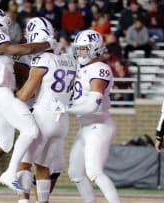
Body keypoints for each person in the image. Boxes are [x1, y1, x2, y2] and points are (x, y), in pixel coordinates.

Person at [0, 8, 57, 202]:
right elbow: (23, 50)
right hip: (1, 93)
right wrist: (47, 44)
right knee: (31, 131)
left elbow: (13, 61)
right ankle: (10, 172)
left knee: (4, 143)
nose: (8, 24)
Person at [15, 17, 76, 203]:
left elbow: (25, 94)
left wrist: (10, 96)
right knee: (43, 166)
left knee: (22, 163)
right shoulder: (69, 59)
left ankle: (23, 202)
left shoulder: (42, 59)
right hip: (62, 120)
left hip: (43, 115)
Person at [61, 29, 121, 203]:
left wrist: (67, 107)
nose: (79, 52)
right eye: (78, 48)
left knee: (94, 171)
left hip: (99, 125)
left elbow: (92, 105)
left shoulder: (100, 69)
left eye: (83, 48)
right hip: (85, 127)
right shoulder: (82, 68)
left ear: (94, 49)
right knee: (76, 173)